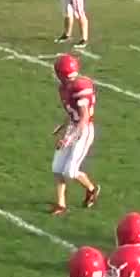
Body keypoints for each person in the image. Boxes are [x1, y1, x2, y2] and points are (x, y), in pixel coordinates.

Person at [49, 54, 101, 215]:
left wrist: (68, 139)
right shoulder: (65, 87)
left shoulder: (80, 87)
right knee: (57, 168)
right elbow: (73, 113)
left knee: (70, 171)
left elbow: (84, 117)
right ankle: (61, 205)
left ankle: (92, 189)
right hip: (73, 126)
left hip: (83, 130)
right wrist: (63, 126)